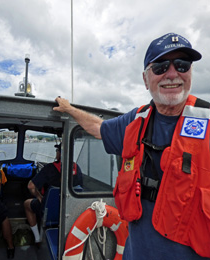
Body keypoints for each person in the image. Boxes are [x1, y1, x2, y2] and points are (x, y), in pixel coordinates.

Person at [54, 33, 210, 260]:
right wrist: (70, 109)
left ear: (191, 73)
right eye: (161, 67)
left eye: (182, 65)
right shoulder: (135, 121)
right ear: (146, 79)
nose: (172, 74)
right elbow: (98, 128)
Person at [24, 143, 83, 243]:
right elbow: (80, 188)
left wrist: (39, 197)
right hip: (70, 209)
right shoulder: (77, 168)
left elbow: (30, 186)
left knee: (26, 204)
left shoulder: (49, 168)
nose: (56, 153)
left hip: (50, 209)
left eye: (57, 151)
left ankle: (37, 238)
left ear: (60, 153)